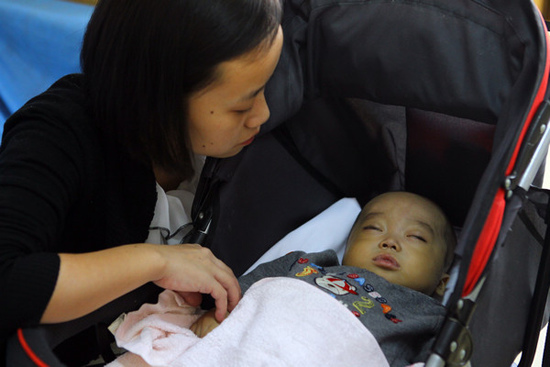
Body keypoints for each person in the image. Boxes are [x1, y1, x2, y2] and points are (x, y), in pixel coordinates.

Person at [0, 0, 283, 364]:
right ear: (160, 100)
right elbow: (7, 279)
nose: (263, 114)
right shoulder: (58, 135)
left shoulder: (231, 148)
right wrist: (158, 262)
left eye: (265, 88)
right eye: (241, 107)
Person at [190, 191, 457, 366]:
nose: (390, 242)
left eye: (416, 237)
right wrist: (219, 315)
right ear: (349, 243)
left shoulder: (431, 315)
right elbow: (247, 287)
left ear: (443, 282)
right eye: (374, 228)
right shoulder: (310, 263)